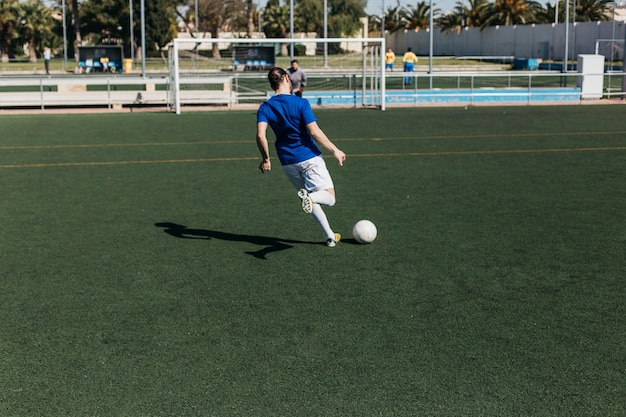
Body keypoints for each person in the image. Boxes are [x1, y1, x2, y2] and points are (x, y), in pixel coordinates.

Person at [256, 67, 346, 247]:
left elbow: (260, 136)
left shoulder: (265, 107)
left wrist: (266, 159)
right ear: (287, 79)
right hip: (308, 157)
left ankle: (330, 237)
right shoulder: (300, 103)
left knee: (308, 196)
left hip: (287, 162)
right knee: (329, 197)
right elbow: (314, 132)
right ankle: (311, 199)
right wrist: (334, 150)